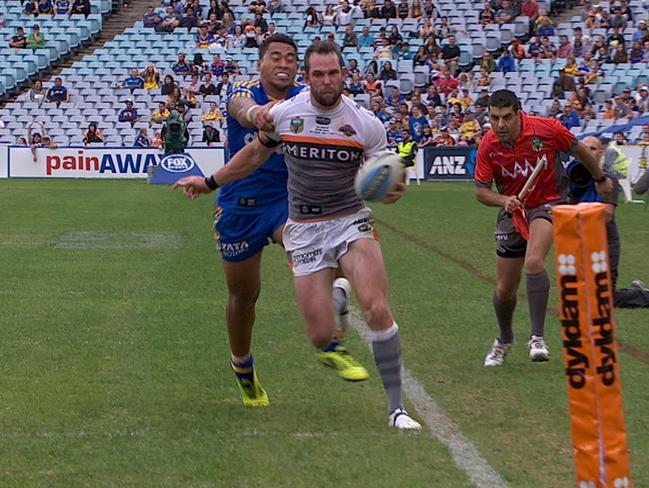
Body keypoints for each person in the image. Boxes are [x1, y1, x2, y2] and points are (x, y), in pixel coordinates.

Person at [174, 40, 421, 429]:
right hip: (249, 210)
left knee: (374, 303)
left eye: (332, 72)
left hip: (318, 214)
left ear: (343, 74)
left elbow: (381, 172)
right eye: (278, 58)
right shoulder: (266, 103)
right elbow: (249, 131)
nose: (286, 65)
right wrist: (211, 181)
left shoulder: (360, 121)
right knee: (252, 300)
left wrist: (392, 185)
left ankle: (396, 408)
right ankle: (245, 366)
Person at [474, 89, 613, 367]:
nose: (500, 125)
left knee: (534, 260)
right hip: (513, 210)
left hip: (549, 203)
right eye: (494, 118)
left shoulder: (547, 130)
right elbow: (480, 192)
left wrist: (599, 177)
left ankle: (537, 338)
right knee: (504, 290)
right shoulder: (488, 145)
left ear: (518, 113)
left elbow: (578, 148)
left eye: (506, 118)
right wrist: (504, 201)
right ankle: (504, 339)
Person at [570, 137, 649, 308]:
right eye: (585, 148)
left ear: (601, 153)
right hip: (581, 244)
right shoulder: (570, 177)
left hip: (605, 244)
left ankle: (643, 295)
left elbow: (605, 216)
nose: (588, 152)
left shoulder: (608, 179)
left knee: (606, 298)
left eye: (593, 148)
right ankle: (636, 289)